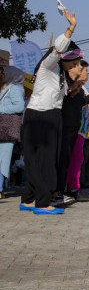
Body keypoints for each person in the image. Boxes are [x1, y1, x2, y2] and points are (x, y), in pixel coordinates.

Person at [20, 7, 82, 215]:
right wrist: (70, 29)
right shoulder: (49, 65)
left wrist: (76, 86)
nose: (77, 66)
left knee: (37, 159)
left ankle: (28, 199)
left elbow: (59, 96)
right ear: (64, 59)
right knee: (45, 160)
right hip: (41, 117)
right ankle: (43, 202)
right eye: (74, 62)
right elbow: (57, 48)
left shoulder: (60, 77)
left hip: (49, 117)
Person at [57, 60, 89, 206]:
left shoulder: (82, 89)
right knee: (72, 160)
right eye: (84, 69)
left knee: (77, 160)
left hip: (80, 129)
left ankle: (72, 188)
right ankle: (71, 189)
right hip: (72, 129)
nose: (87, 72)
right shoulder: (71, 87)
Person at [0, 66, 25, 200]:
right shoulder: (6, 86)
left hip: (6, 129)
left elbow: (19, 106)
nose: (2, 74)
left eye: (4, 72)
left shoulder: (15, 88)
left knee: (2, 160)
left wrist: (1, 108)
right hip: (3, 128)